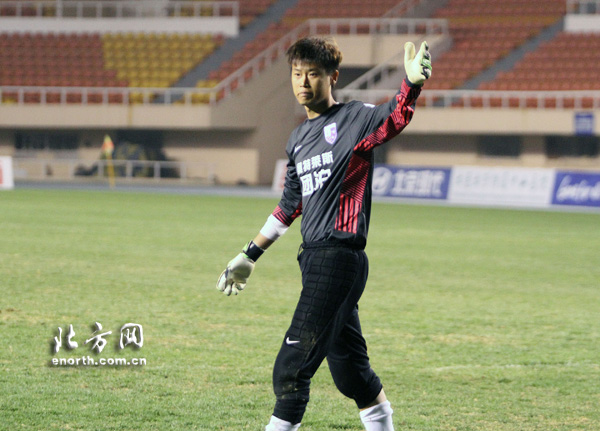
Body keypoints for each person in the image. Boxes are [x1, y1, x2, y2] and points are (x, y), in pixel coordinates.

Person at [217, 36, 431, 431]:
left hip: (338, 257)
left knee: (290, 371)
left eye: (313, 74)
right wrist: (249, 255)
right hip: (314, 259)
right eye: (297, 74)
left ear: (332, 77)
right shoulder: (297, 139)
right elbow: (289, 206)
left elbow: (394, 117)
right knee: (351, 373)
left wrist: (411, 86)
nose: (303, 82)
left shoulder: (355, 118)